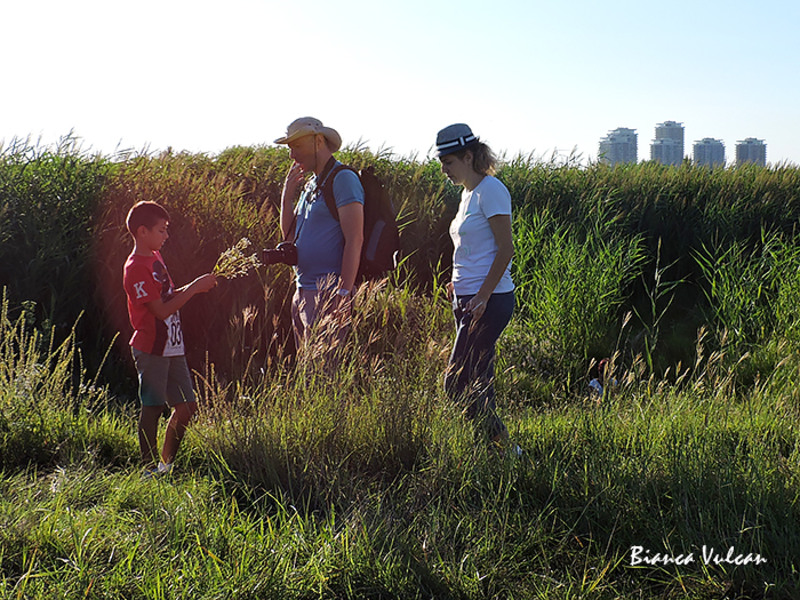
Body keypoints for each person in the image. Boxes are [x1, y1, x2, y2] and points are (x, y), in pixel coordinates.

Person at [436, 123, 518, 453]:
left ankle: (507, 449)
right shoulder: (467, 194)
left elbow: (506, 249)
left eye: (449, 162)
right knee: (480, 378)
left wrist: (482, 295)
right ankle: (493, 451)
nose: (444, 170)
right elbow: (472, 248)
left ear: (468, 157)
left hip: (489, 299)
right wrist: (457, 282)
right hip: (468, 297)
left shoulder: (491, 190)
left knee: (456, 382)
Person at [122, 201, 217, 477]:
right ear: (142, 231)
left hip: (173, 345)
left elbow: (168, 295)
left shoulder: (155, 257)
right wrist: (194, 289)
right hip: (152, 347)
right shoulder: (135, 268)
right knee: (153, 407)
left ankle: (166, 467)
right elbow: (161, 310)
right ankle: (148, 469)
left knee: (187, 407)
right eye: (161, 230)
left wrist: (196, 286)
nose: (166, 236)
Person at [274, 117, 364, 356]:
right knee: (307, 371)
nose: (292, 155)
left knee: (324, 372)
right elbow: (289, 237)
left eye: (297, 146)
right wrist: (287, 196)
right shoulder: (312, 184)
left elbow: (355, 239)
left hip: (328, 295)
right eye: (290, 148)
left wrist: (343, 294)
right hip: (302, 291)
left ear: (319, 141)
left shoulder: (343, 179)